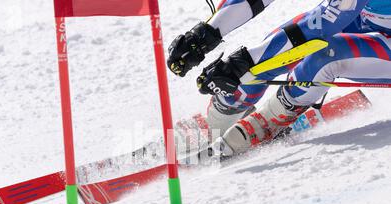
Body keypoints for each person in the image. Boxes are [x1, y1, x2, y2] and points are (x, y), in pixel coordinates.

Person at [167, 0, 391, 157]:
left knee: (324, 55)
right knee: (273, 47)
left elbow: (324, 23)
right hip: (365, 19)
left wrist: (244, 63)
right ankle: (217, 119)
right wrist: (207, 33)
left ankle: (270, 119)